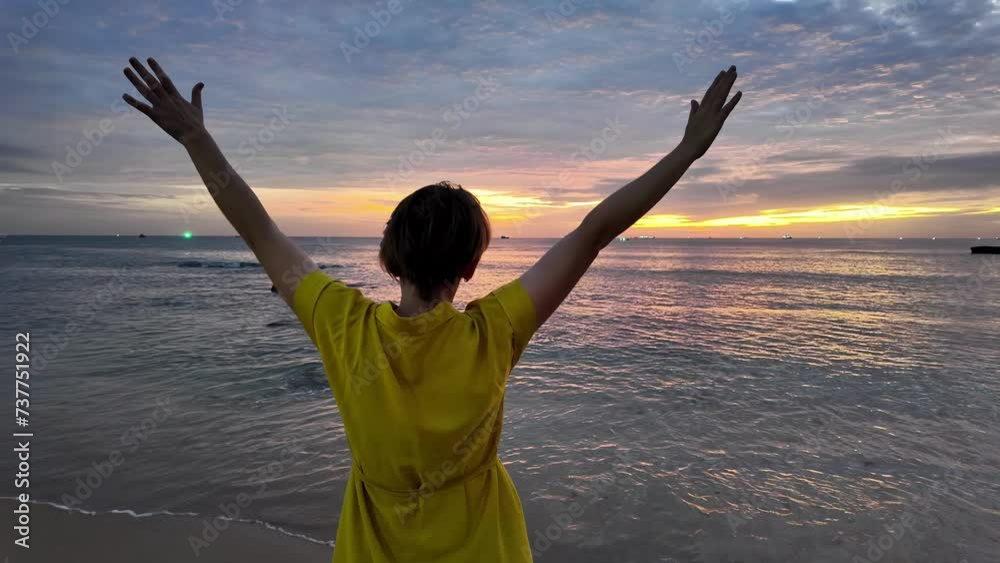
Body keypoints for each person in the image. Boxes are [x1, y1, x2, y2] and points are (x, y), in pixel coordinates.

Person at [122, 56, 742, 562]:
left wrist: (196, 139)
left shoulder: (341, 324)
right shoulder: (494, 331)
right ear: (470, 267)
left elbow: (257, 229)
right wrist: (685, 152)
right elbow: (593, 232)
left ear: (389, 257)